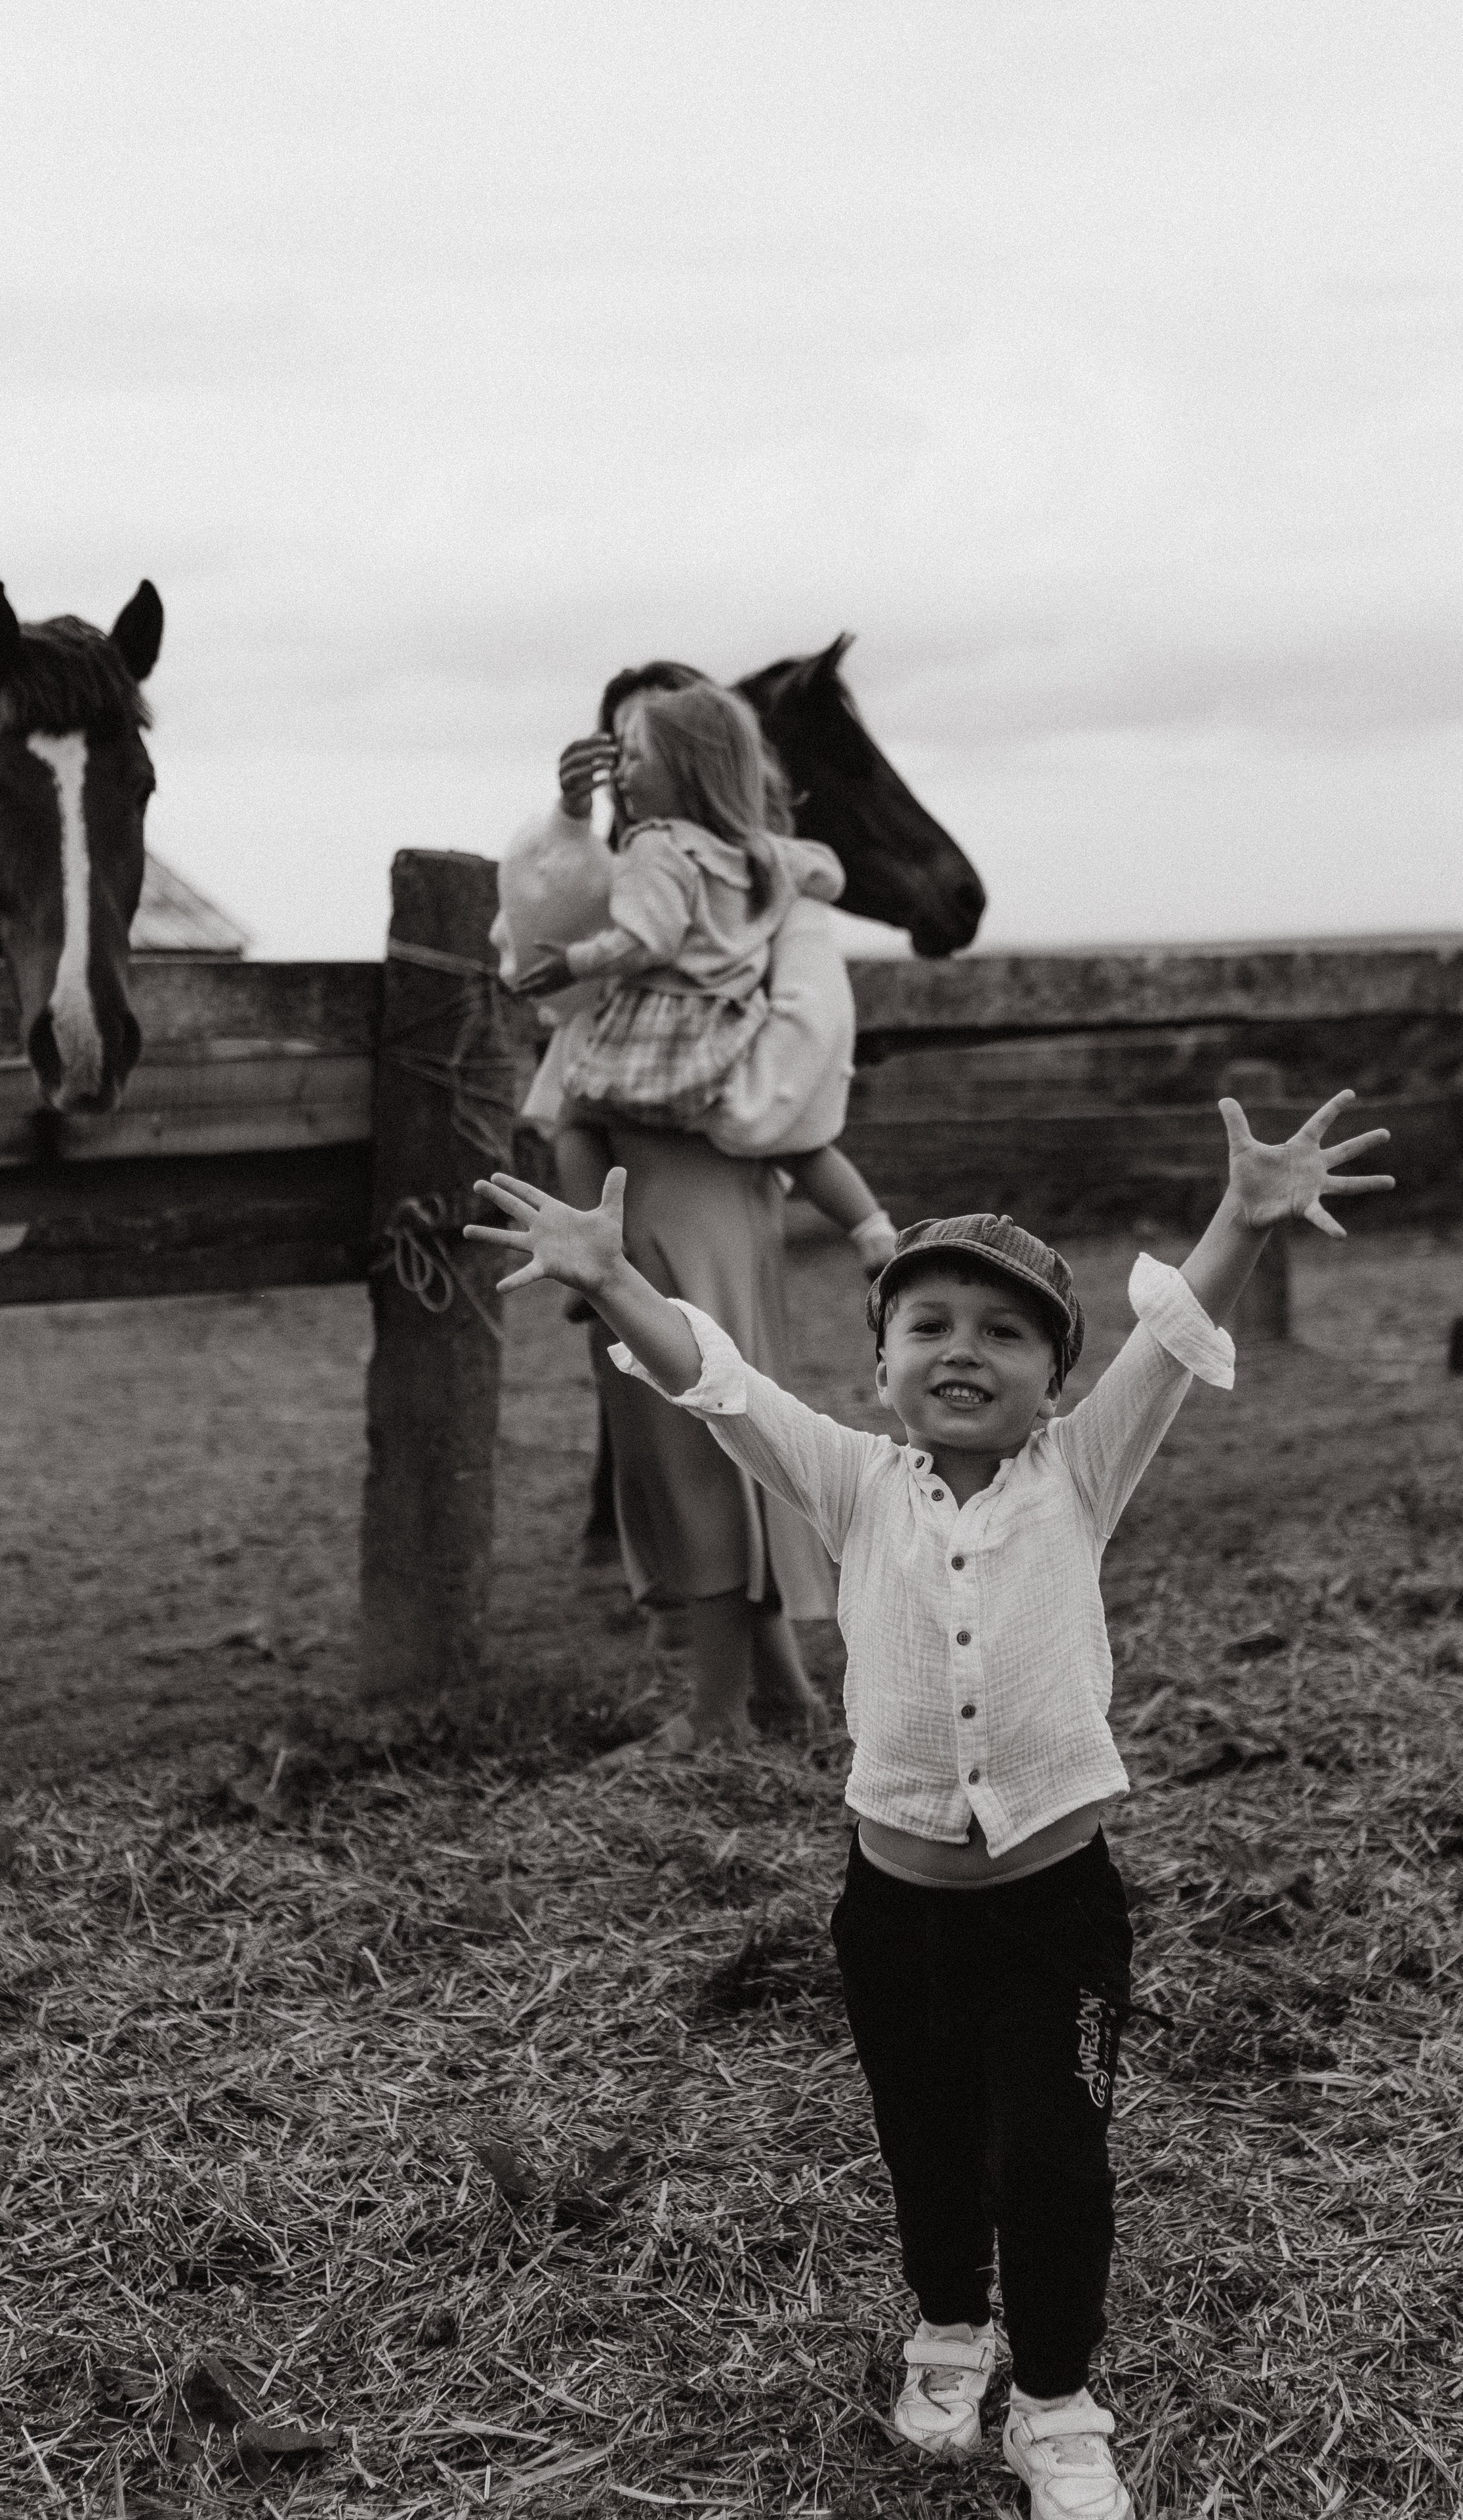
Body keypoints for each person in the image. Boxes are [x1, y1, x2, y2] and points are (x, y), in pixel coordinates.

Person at [464, 1091, 1393, 2519]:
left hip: (1052, 1909)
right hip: (891, 1911)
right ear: (881, 1360)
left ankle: (1057, 2402)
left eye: (1004, 1331)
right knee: (924, 2138)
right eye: (930, 1325)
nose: (963, 1350)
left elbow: (1161, 1348)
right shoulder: (845, 1483)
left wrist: (1242, 1220)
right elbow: (717, 1385)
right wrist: (608, 1277)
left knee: (1054, 2150)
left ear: (1048, 1375)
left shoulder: (1079, 1474)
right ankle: (948, 2329)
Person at [506, 680, 896, 1272]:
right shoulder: (759, 854)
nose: (620, 772)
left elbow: (648, 940)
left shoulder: (653, 847)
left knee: (576, 1120)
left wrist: (572, 962)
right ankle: (871, 1228)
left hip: (659, 1028)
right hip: (730, 1030)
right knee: (798, 1142)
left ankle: (593, 1249)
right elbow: (829, 874)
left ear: (685, 771)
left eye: (635, 756)